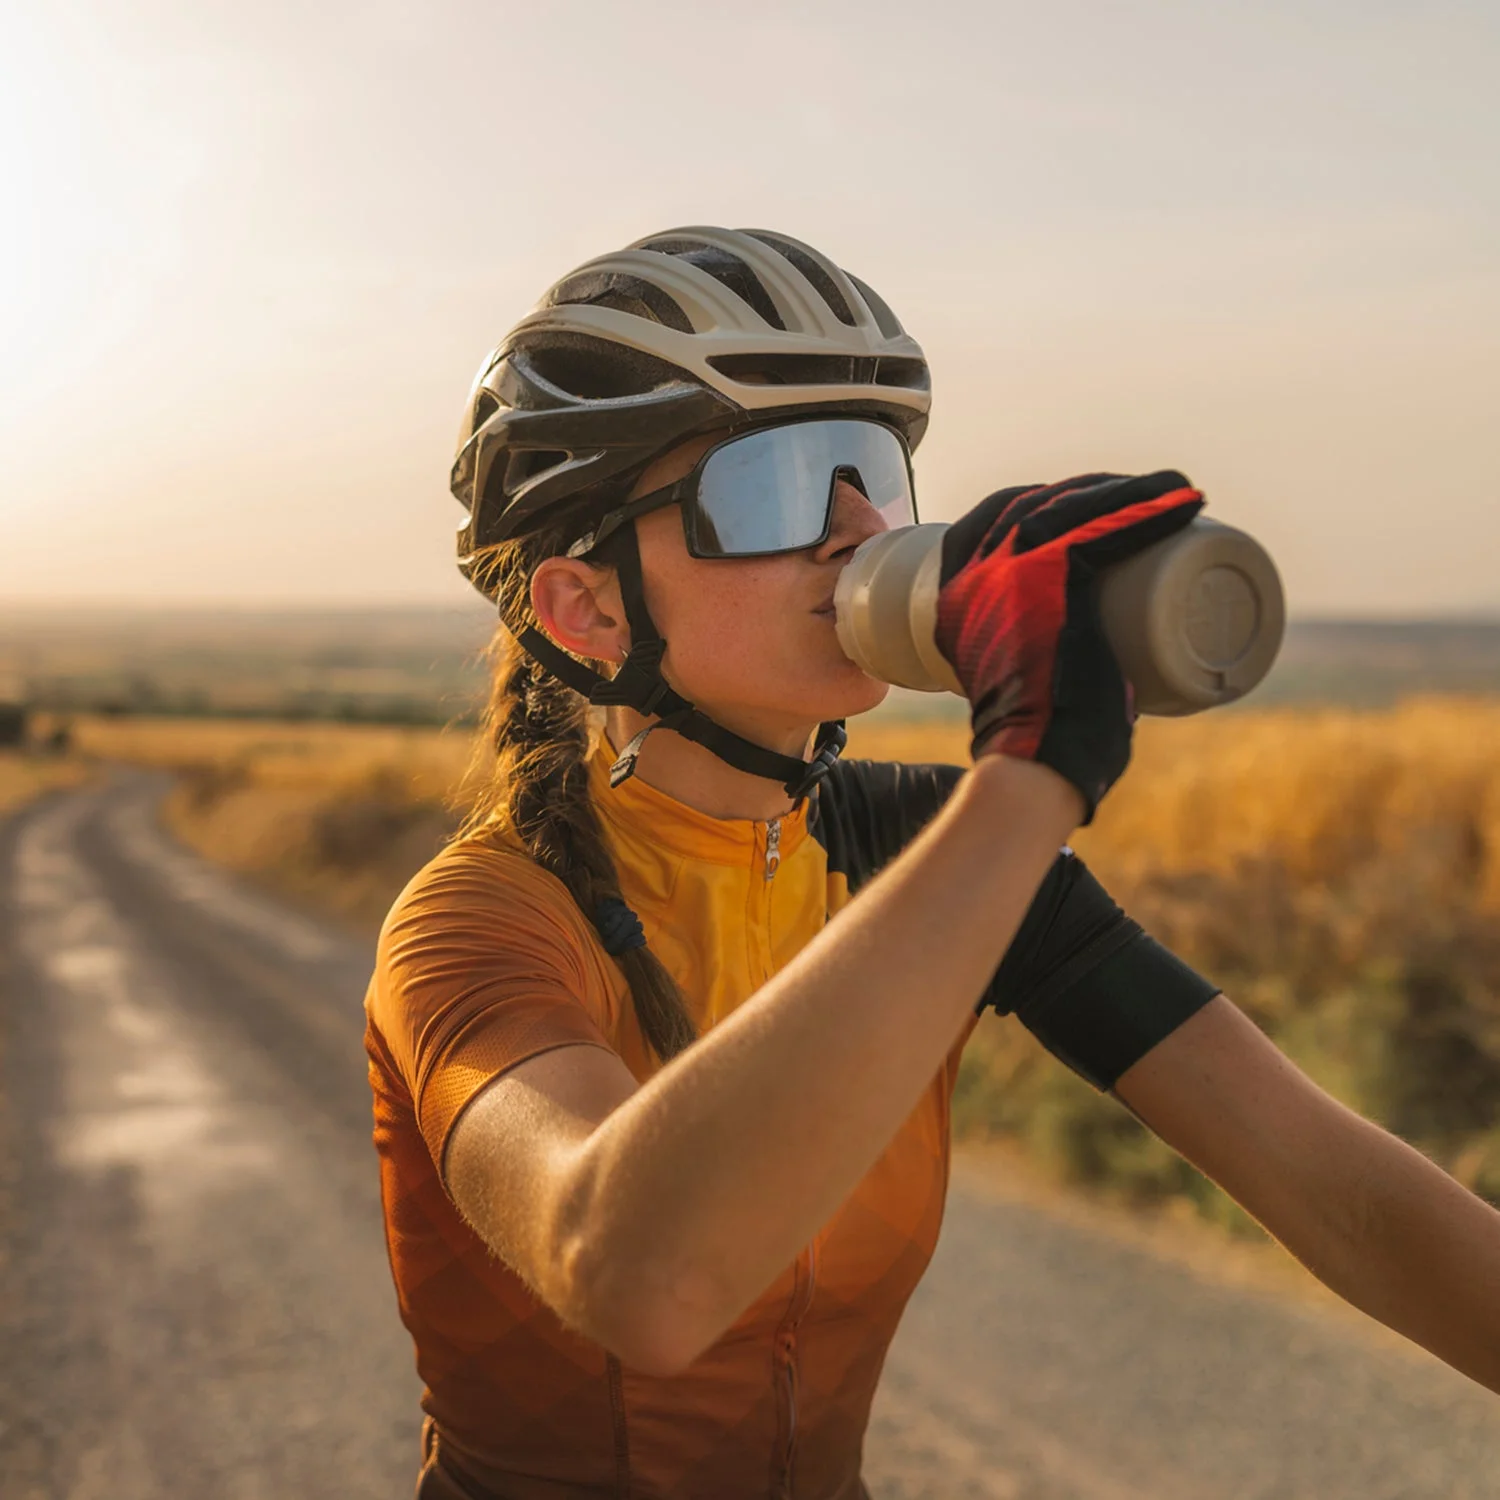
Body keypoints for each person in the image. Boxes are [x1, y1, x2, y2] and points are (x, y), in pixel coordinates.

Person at [365, 227, 1500, 1500]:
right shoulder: (475, 919)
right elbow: (637, 1273)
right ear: (589, 606)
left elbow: (1345, 1199)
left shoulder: (920, 849)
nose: (856, 526)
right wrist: (1030, 779)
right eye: (778, 481)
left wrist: (1006, 805)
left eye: (872, 470)